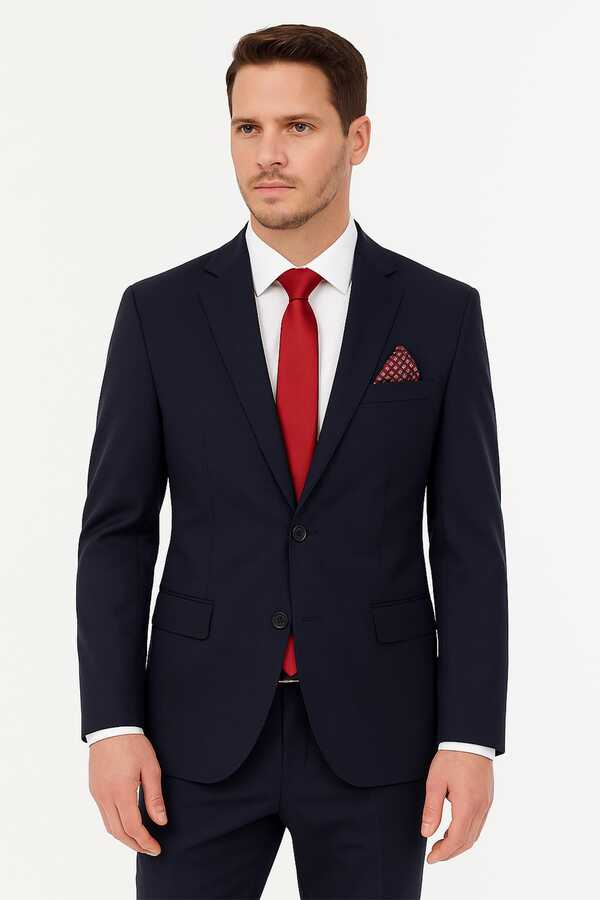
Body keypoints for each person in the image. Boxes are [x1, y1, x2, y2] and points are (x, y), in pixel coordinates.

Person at [76, 22, 508, 900]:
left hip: (379, 736)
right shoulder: (159, 315)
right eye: (248, 128)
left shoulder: (439, 317)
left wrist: (469, 737)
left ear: (357, 138)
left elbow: (468, 541)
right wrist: (111, 724)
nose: (267, 154)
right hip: (194, 737)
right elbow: (116, 531)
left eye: (298, 127)